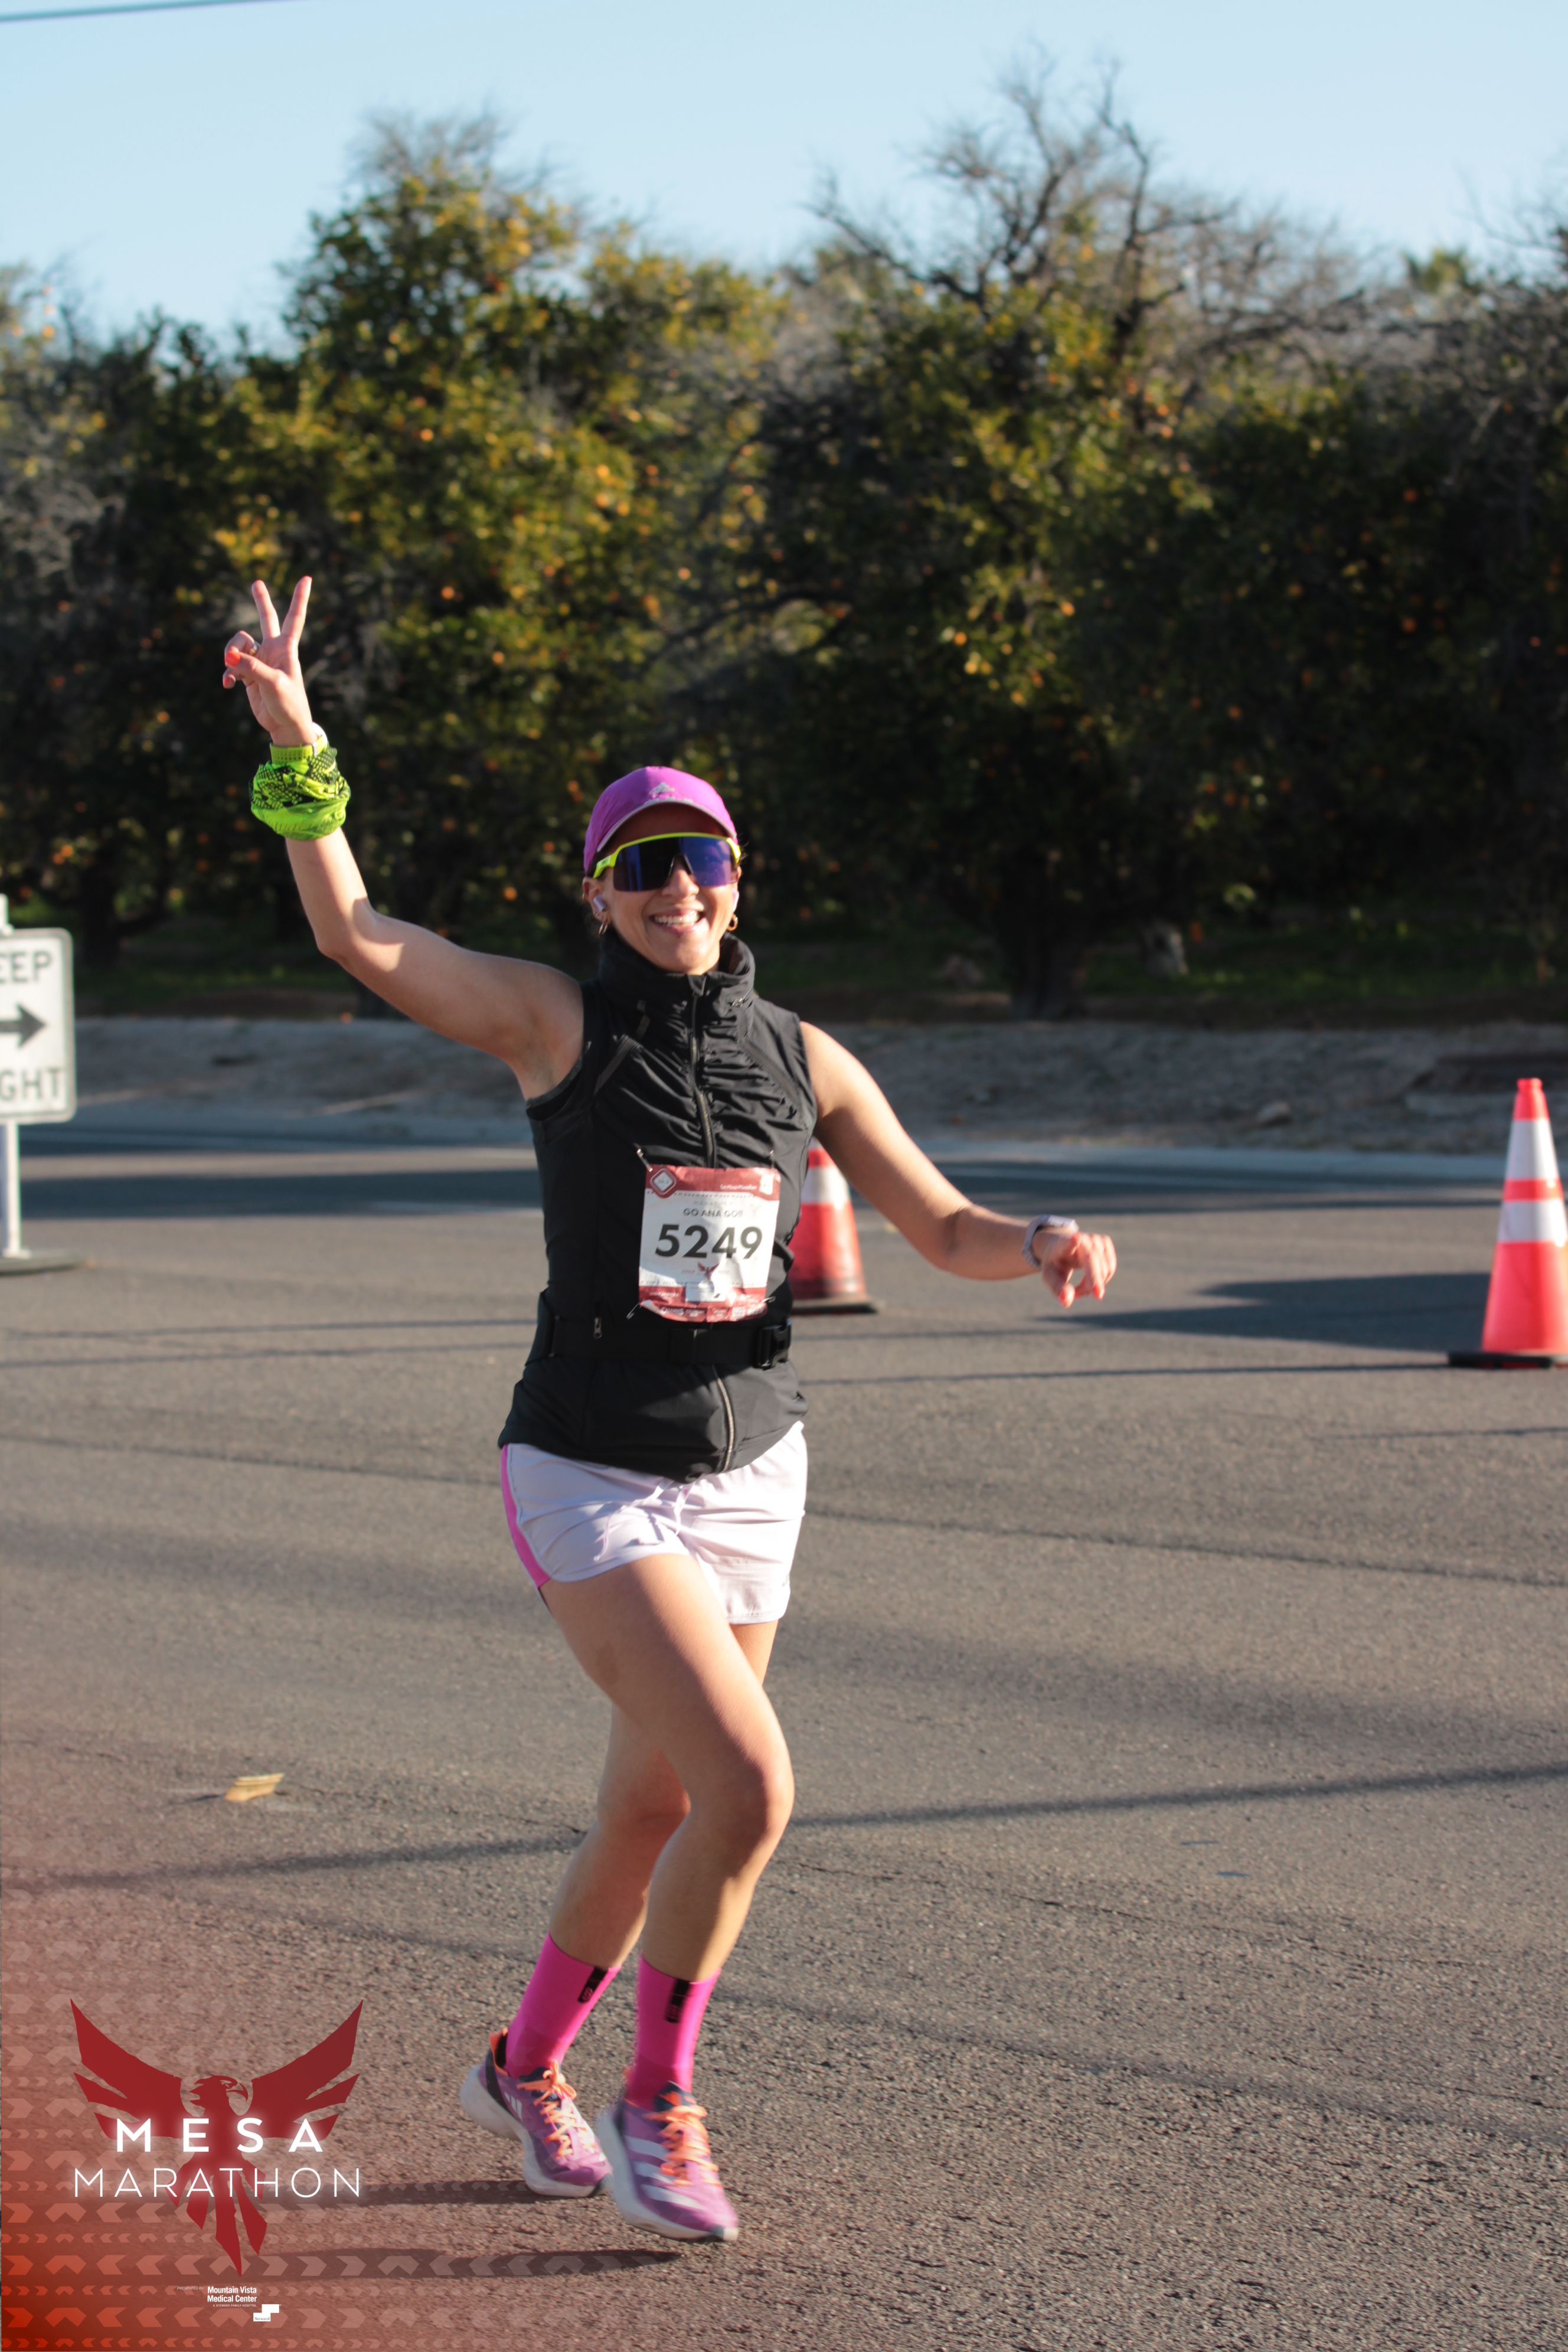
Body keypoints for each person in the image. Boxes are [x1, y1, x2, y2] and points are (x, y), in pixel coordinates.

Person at [222, 574, 1118, 2245]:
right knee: (750, 1792)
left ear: (737, 877)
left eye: (699, 857)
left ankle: (523, 2069)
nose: (675, 887)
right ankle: (659, 2104)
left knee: (652, 1806)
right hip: (589, 1470)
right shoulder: (554, 1020)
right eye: (641, 866)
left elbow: (940, 1226)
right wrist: (299, 744)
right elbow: (357, 934)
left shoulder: (805, 1056)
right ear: (601, 891)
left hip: (752, 1467)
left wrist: (1043, 1238)